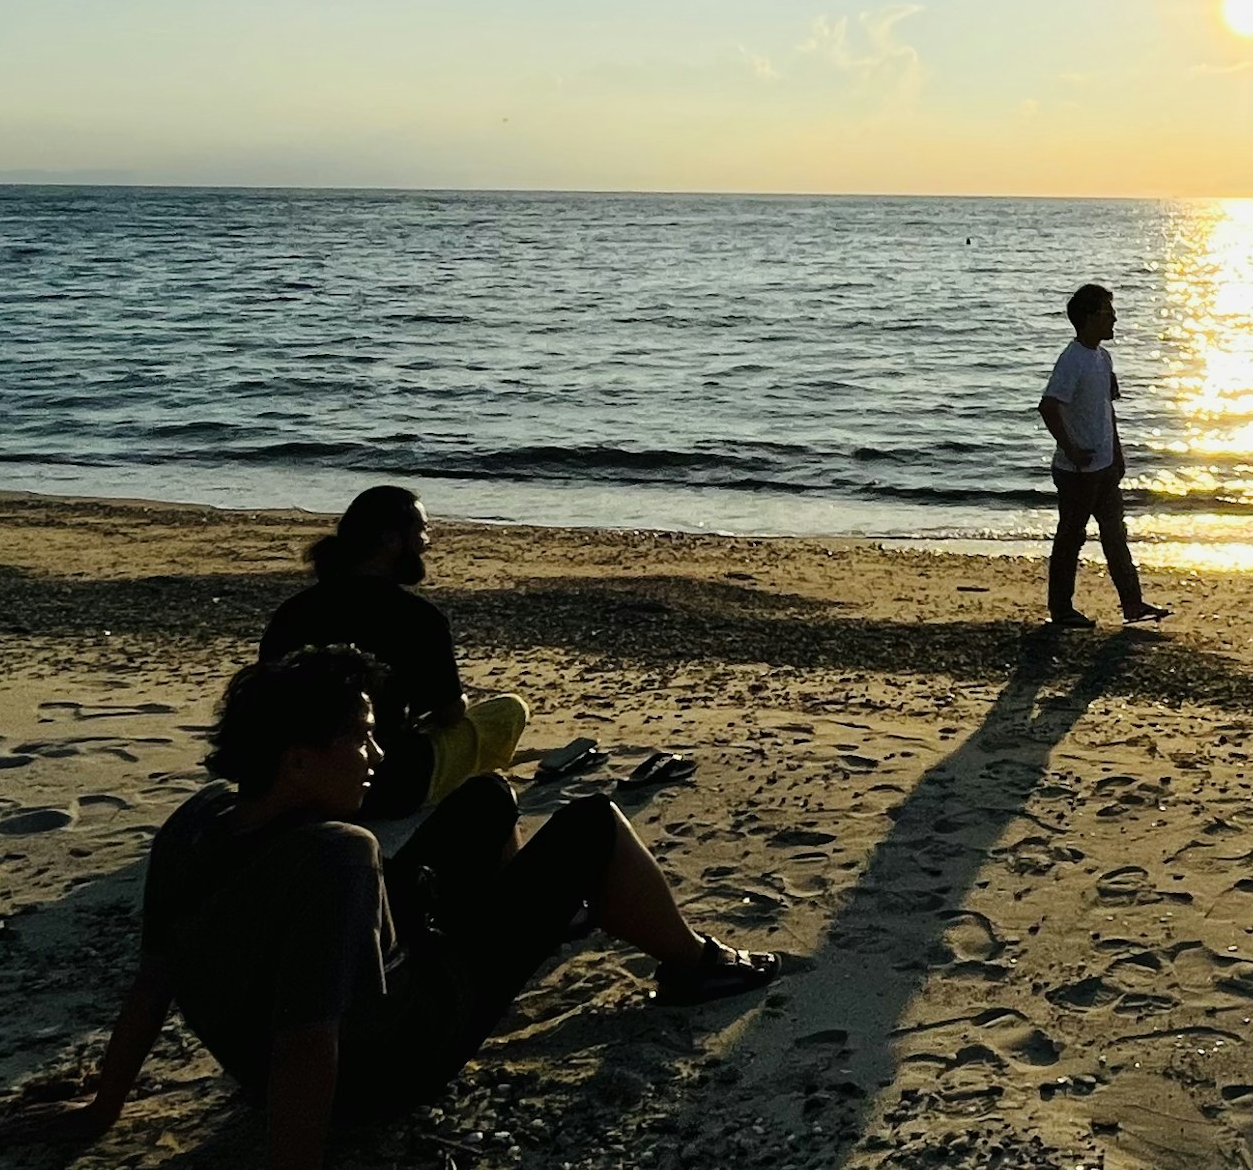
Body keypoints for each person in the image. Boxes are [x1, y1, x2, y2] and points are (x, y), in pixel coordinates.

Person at [60, 646, 780, 1167]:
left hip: (264, 1064)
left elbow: (155, 978)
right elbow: (309, 1042)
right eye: (361, 737)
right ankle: (694, 964)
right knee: (592, 821)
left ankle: (534, 913)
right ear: (299, 758)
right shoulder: (337, 853)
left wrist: (104, 1107)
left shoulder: (199, 819)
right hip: (392, 1063)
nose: (376, 755)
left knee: (488, 796)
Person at [259, 486, 524, 820]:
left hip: (295, 779)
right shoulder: (417, 617)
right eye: (422, 531)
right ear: (390, 541)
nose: (427, 542)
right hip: (385, 783)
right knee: (509, 711)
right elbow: (447, 712)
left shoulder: (292, 612)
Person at [1040, 283, 1170, 628]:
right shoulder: (1072, 360)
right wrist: (1072, 450)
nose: (1114, 319)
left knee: (1115, 535)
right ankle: (1061, 609)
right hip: (1077, 471)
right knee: (1071, 536)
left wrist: (1117, 451)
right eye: (1107, 313)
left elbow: (1105, 408)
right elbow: (1049, 406)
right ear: (1089, 318)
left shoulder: (1102, 357)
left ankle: (1132, 604)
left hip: (1104, 466)